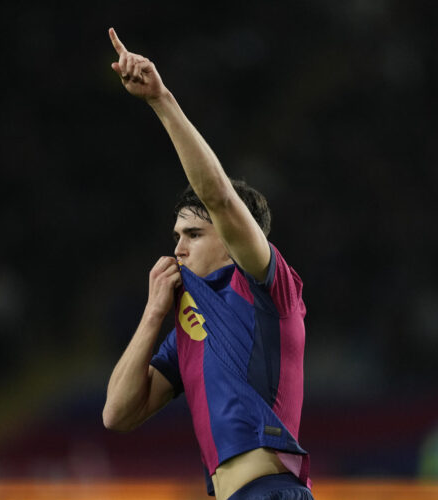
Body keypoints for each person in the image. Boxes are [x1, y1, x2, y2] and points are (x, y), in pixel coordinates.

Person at [102, 28, 314, 500]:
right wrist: (154, 314)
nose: (177, 248)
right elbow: (116, 415)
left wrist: (161, 100)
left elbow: (216, 195)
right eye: (176, 235)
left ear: (235, 237)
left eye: (194, 234)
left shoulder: (267, 290)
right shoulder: (188, 330)